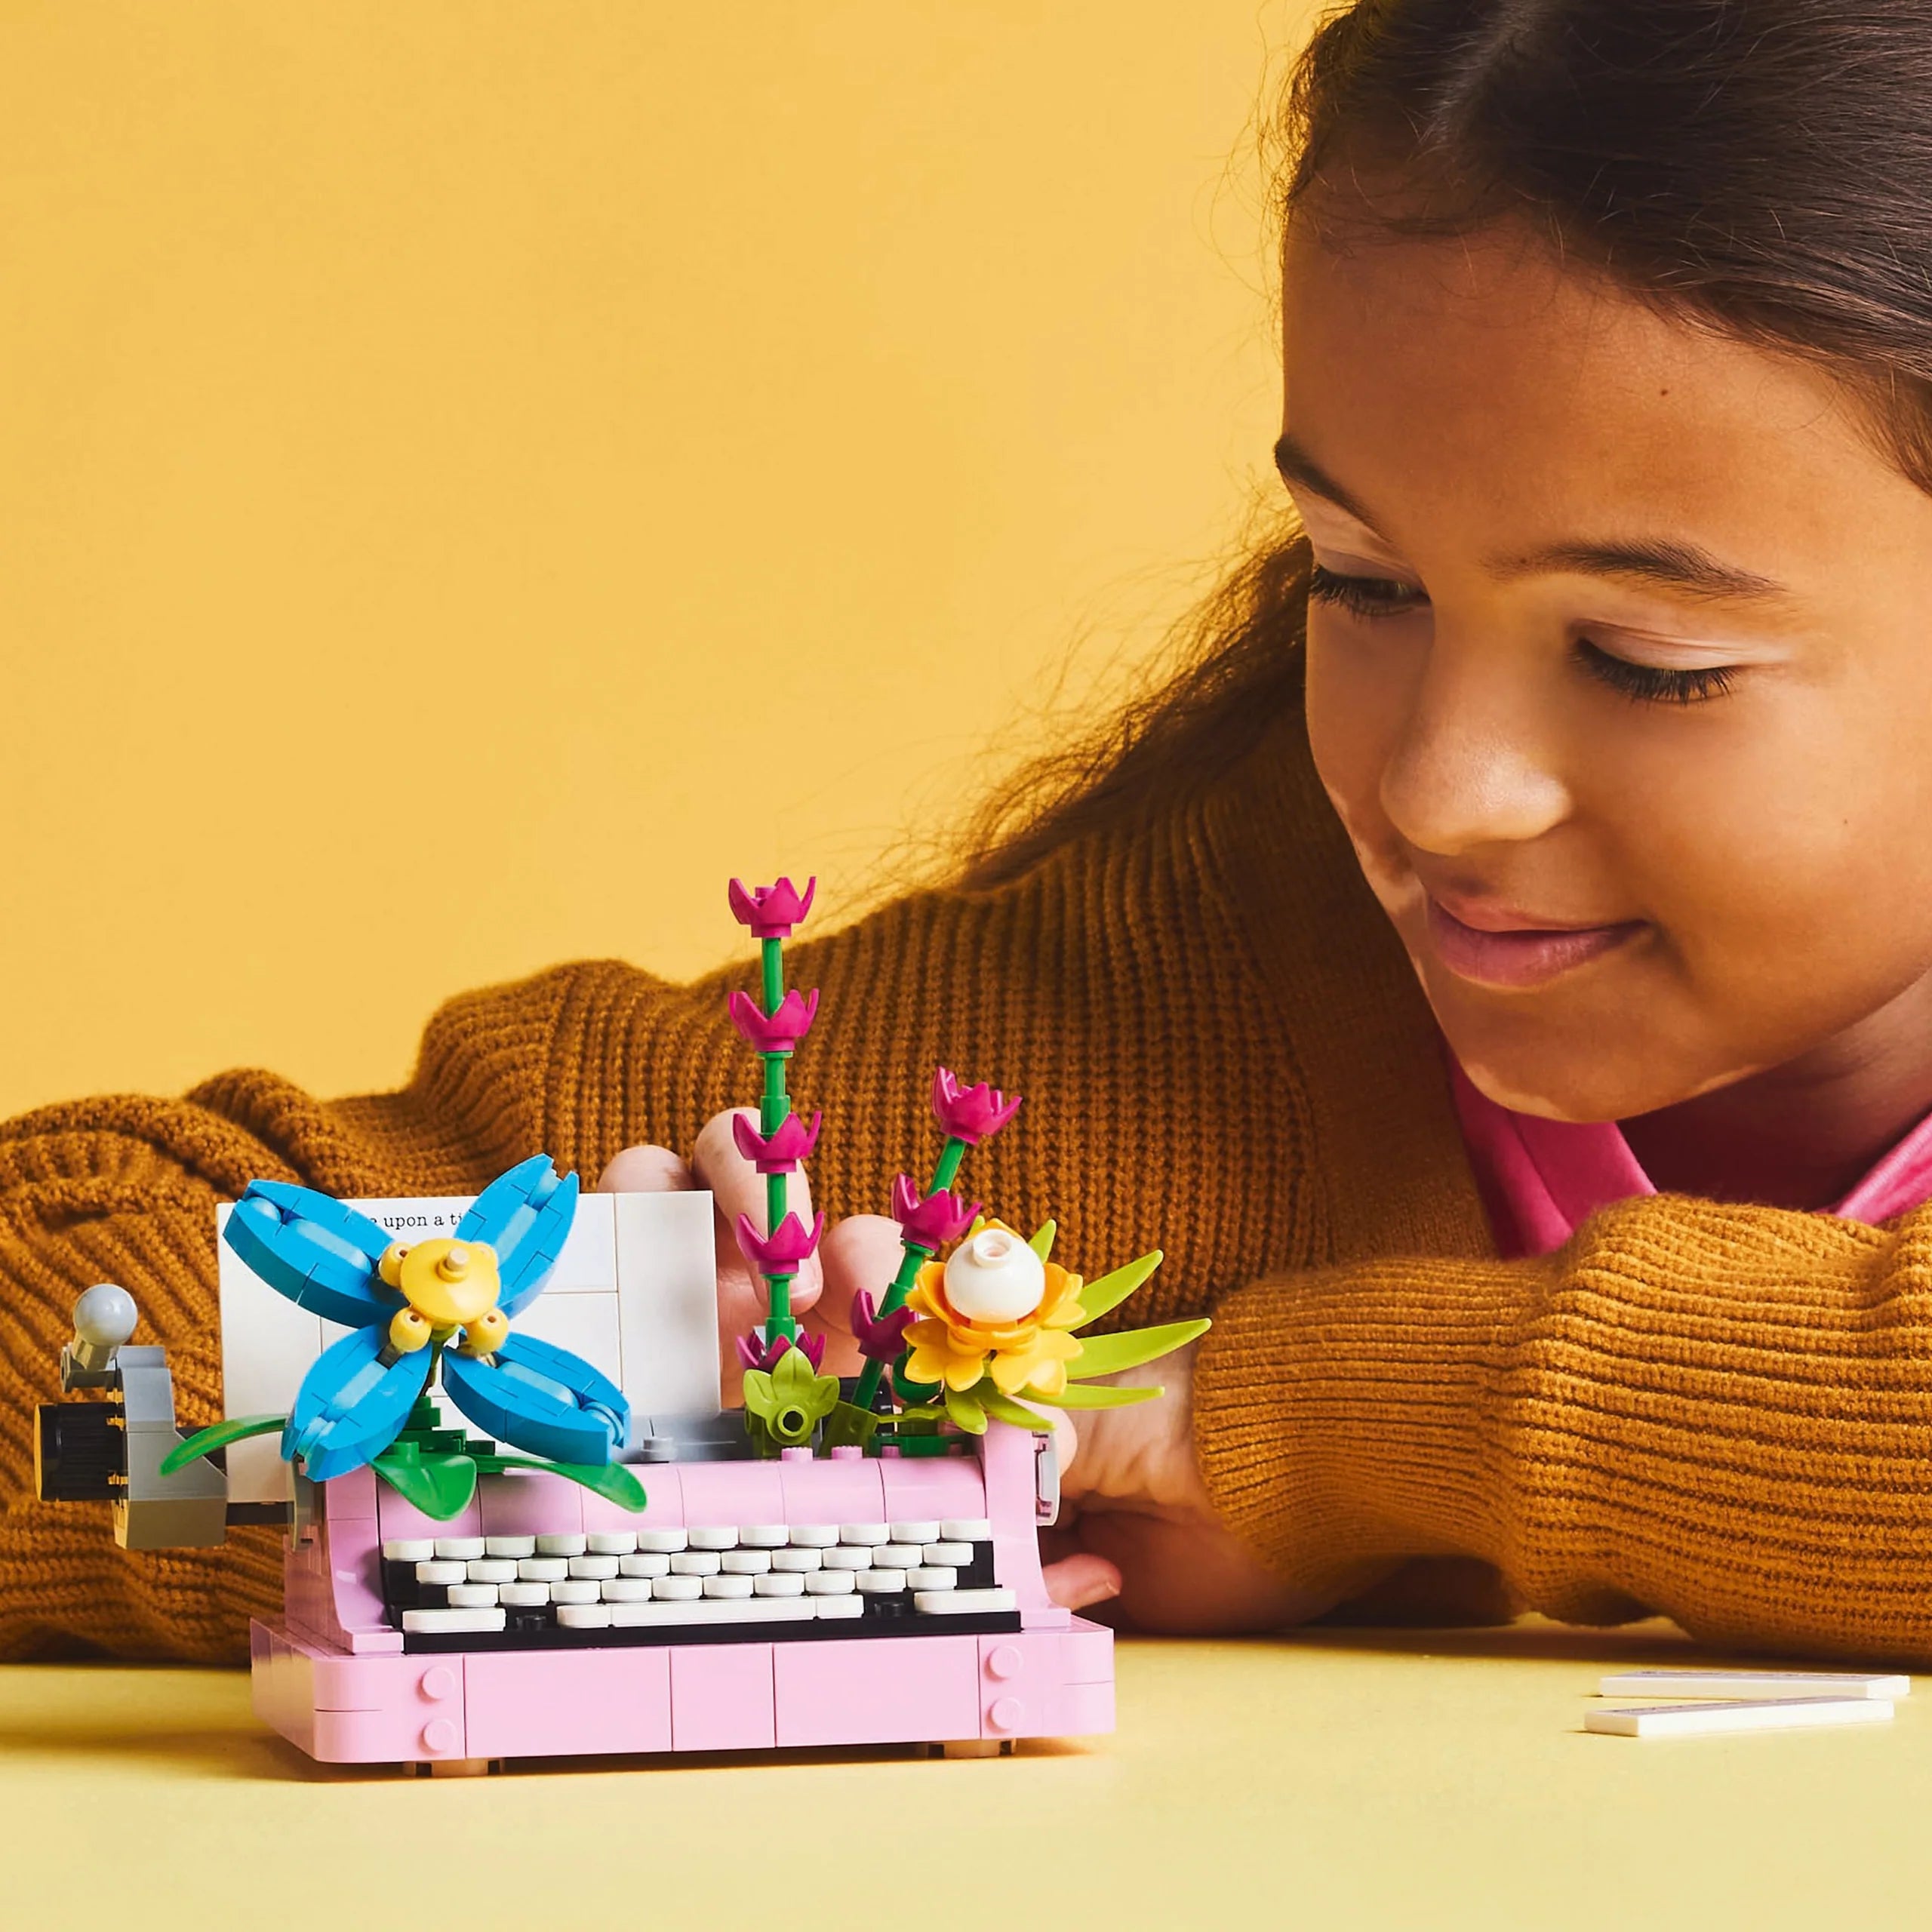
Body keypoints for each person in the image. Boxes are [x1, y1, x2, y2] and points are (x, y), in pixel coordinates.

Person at [10, 0, 1932, 1665]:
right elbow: (55, 1327)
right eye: (1359, 581)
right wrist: (575, 1422)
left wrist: (1302, 1431)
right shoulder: (1061, 1108)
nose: (1437, 790)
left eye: (1643, 657)